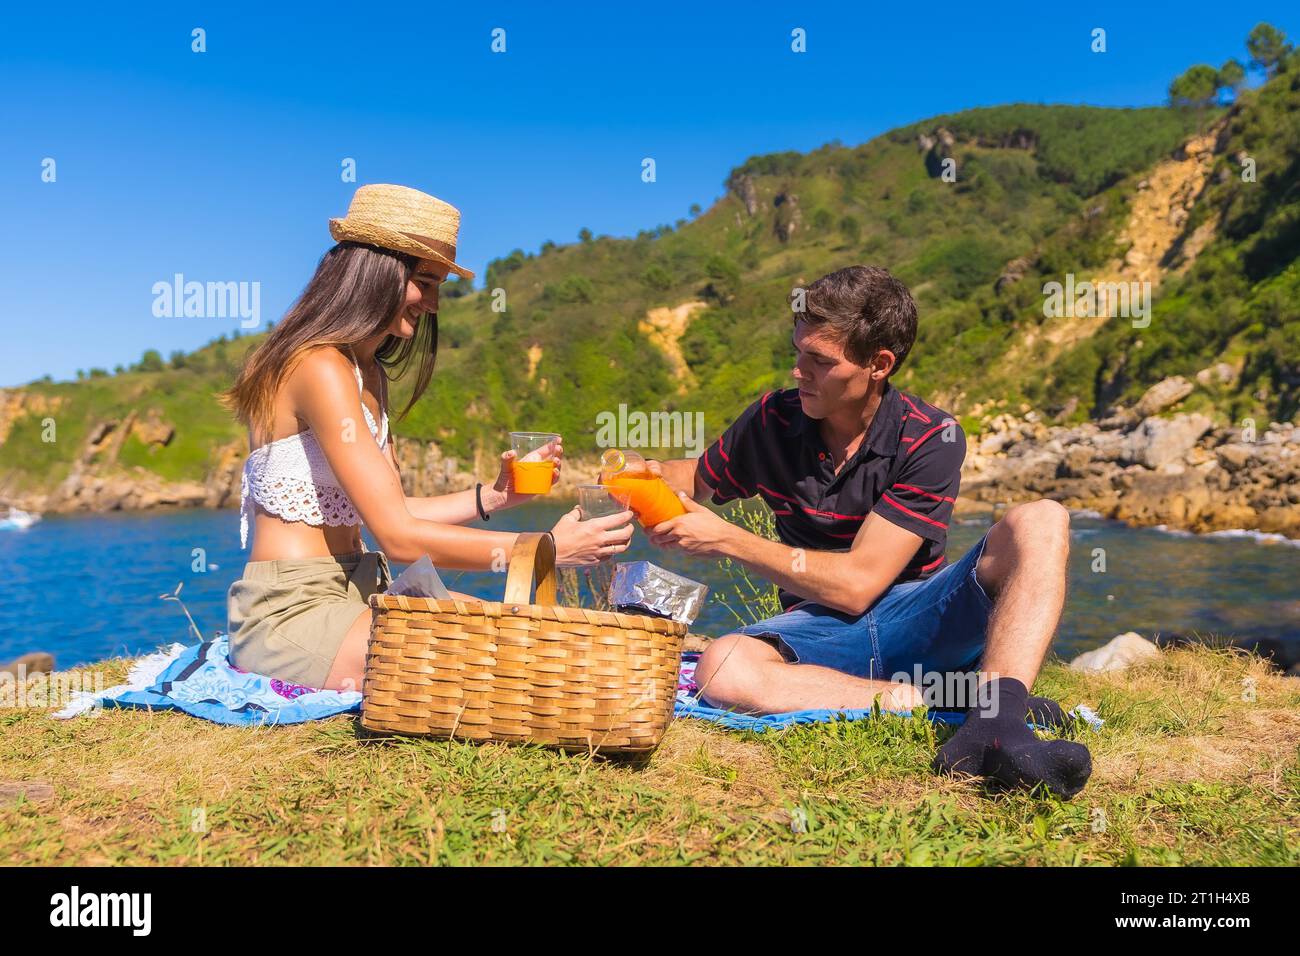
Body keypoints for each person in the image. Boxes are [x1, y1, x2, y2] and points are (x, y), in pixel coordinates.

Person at [645, 265, 1091, 798]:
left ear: (879, 364)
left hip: (916, 616)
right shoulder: (770, 421)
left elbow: (857, 586)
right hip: (818, 628)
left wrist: (725, 539)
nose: (797, 371)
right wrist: (633, 474)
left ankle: (996, 726)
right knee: (722, 667)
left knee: (1042, 519)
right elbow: (695, 477)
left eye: (819, 361)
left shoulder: (932, 437)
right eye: (797, 352)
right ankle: (970, 703)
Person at [221, 184, 633, 693]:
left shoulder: (368, 374)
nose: (433, 303)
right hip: (292, 612)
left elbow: (395, 512)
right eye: (424, 281)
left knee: (534, 642)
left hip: (360, 594)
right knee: (508, 663)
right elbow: (397, 539)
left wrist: (497, 495)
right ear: (375, 272)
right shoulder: (319, 366)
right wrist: (544, 549)